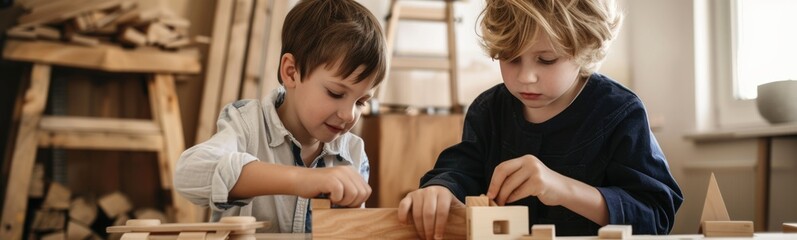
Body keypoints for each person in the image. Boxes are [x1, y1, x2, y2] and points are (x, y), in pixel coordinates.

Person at [397, 0, 683, 238]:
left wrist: (562, 189)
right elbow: (461, 171)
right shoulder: (487, 111)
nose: (526, 77)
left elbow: (656, 215)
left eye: (546, 60)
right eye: (510, 58)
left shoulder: (620, 112)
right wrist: (440, 189)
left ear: (586, 47)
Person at [174, 0, 386, 233]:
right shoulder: (247, 125)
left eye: (361, 102)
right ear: (291, 72)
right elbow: (189, 174)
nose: (348, 114)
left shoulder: (353, 153)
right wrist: (300, 179)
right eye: (335, 93)